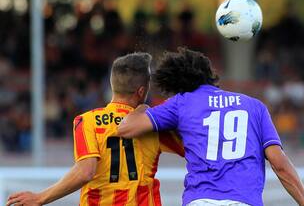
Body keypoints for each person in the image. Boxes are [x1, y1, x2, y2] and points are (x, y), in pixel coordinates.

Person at [118, 48, 304, 206]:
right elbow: (280, 165)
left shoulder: (181, 102)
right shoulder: (255, 106)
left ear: (177, 84)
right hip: (244, 201)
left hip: (200, 200)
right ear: (210, 76)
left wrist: (142, 107)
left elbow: (126, 128)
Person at [6, 53, 183, 206]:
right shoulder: (153, 124)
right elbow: (198, 149)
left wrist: (40, 198)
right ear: (141, 91)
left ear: (113, 85)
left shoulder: (87, 121)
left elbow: (85, 171)